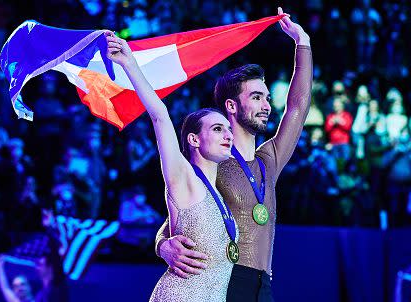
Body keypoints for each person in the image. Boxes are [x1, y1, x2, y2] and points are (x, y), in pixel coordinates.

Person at [155, 7, 312, 301]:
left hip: (263, 286)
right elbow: (177, 210)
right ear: (231, 106)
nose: (266, 105)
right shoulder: (214, 161)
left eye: (266, 98)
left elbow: (298, 108)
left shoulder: (269, 160)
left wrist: (302, 42)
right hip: (224, 281)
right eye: (256, 97)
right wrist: (162, 244)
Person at [106, 26, 236, 301]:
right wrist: (129, 62)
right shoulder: (183, 177)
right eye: (216, 129)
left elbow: (173, 228)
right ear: (194, 139)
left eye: (228, 129)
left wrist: (162, 243)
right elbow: (160, 117)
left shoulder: (218, 196)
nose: (228, 134)